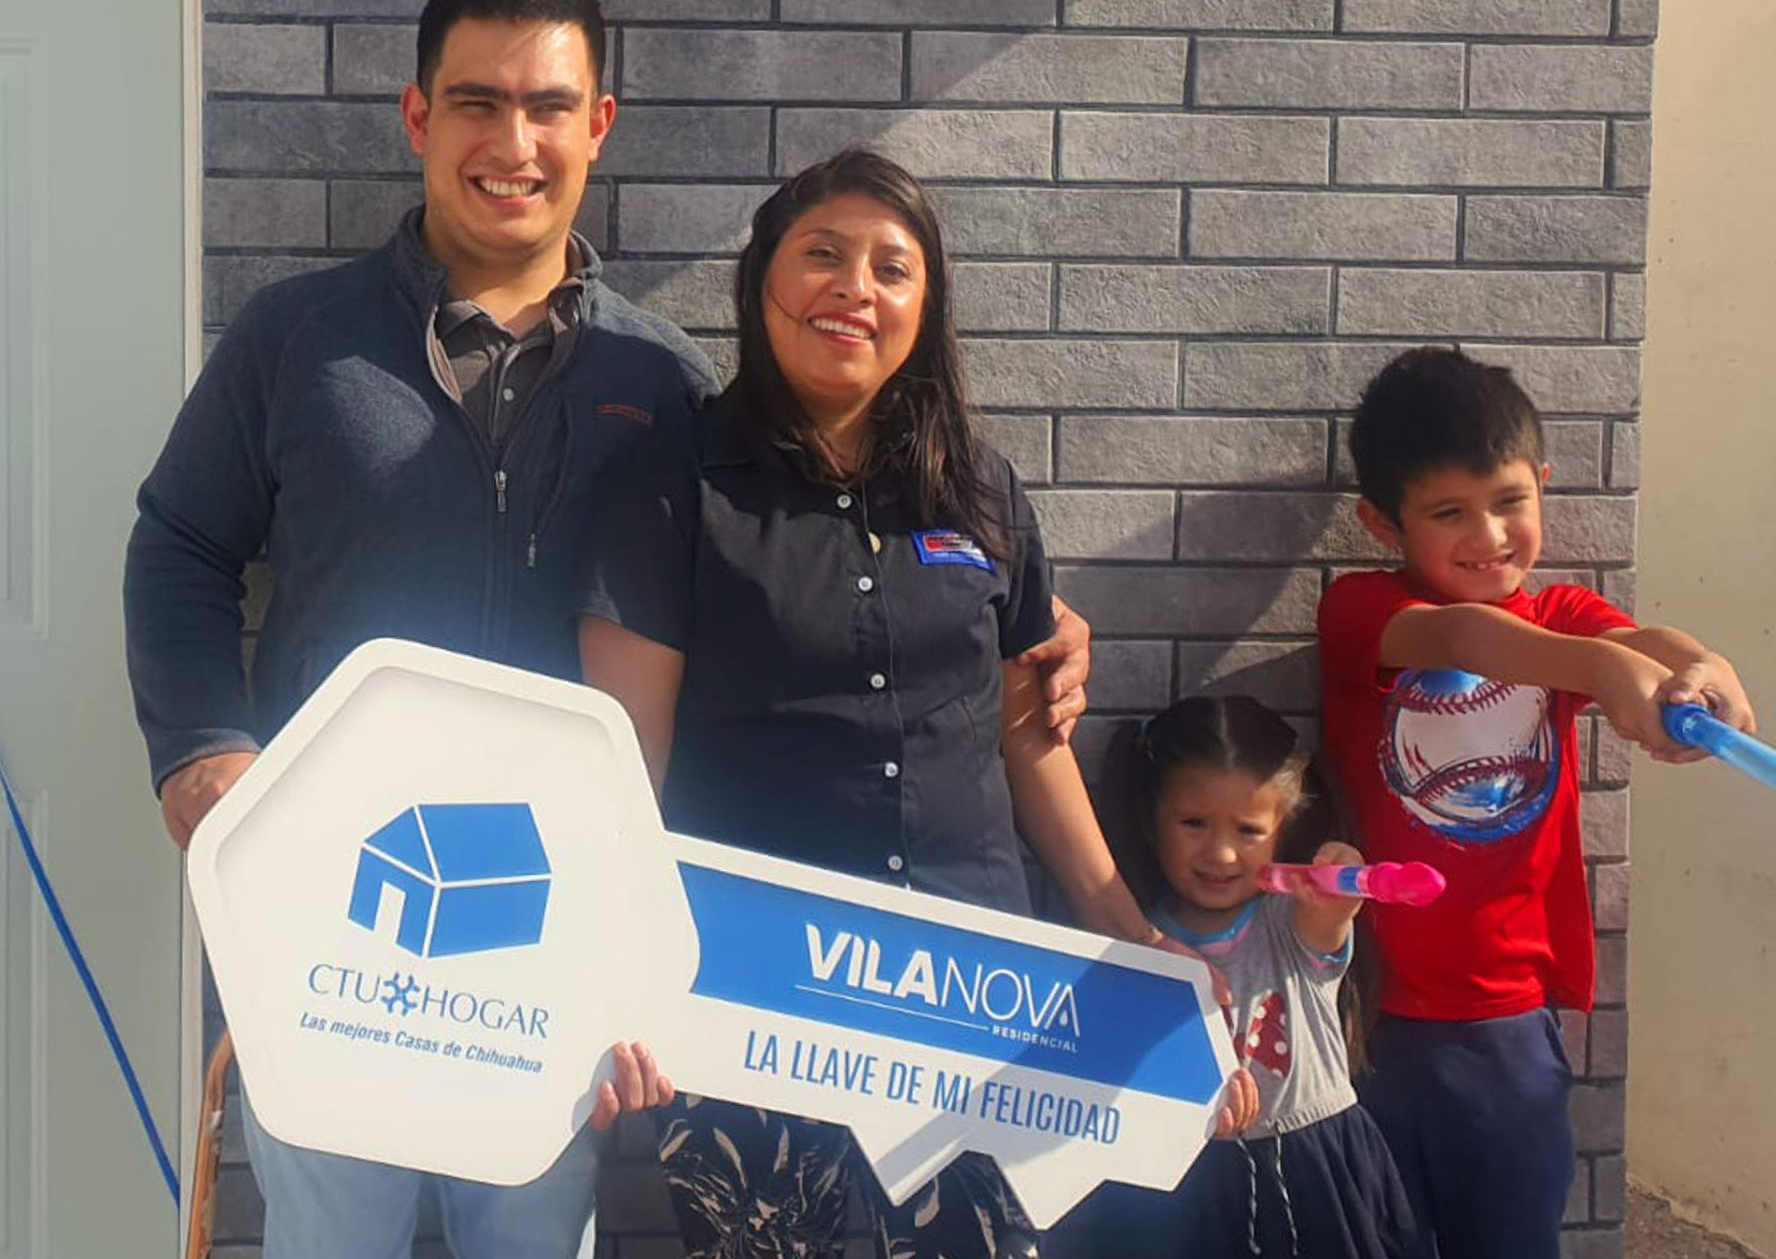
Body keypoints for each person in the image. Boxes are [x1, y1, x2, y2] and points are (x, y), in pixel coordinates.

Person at [123, 0, 1098, 1259]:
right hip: (338, 913)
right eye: (476, 103)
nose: (510, 143)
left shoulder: (665, 375)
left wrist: (1008, 618)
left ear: (599, 127)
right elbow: (182, 546)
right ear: (419, 120)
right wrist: (201, 753)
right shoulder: (297, 340)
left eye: (547, 106)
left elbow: (782, 604)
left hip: (548, 931)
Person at [576, 150, 1242, 1258]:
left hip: (974, 999)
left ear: (923, 310)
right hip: (757, 999)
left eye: (893, 269)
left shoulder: (976, 487)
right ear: (763, 283)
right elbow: (621, 768)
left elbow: (1028, 739)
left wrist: (1128, 933)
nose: (856, 289)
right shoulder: (675, 483)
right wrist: (613, 976)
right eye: (823, 256)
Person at [1317, 347, 1757, 1259]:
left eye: (1511, 502)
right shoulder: (1362, 609)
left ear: (1544, 484)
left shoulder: (1562, 613)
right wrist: (1601, 669)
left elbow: (1647, 638)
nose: (1488, 535)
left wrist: (1702, 669)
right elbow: (1467, 635)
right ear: (1379, 522)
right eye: (1449, 513)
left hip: (1508, 1027)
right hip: (1364, 1017)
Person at [1103, 695, 1420, 1259]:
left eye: (1248, 829)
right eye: (1193, 823)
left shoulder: (1291, 924)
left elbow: (1329, 918)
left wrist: (1336, 886)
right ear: (1153, 821)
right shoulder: (1136, 938)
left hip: (1318, 1166)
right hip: (1193, 1182)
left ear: (1283, 831)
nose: (1220, 852)